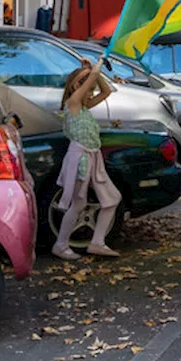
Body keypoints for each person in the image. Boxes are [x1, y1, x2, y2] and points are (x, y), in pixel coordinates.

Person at [53, 60, 122, 260]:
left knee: (112, 199)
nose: (91, 93)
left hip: (91, 159)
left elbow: (106, 91)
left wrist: (95, 73)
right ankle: (61, 244)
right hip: (80, 160)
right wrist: (95, 68)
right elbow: (90, 83)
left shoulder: (82, 106)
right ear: (77, 86)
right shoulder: (72, 104)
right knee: (78, 204)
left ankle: (97, 242)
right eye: (88, 89)